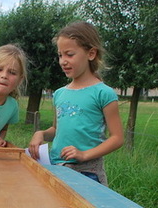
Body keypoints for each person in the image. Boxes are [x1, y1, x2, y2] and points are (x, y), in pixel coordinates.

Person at [28, 22, 123, 186]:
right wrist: (41, 134)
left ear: (91, 54)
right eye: (60, 55)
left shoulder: (103, 93)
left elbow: (117, 138)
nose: (63, 61)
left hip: (88, 172)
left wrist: (84, 154)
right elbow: (56, 130)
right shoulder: (59, 94)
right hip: (57, 167)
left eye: (69, 54)